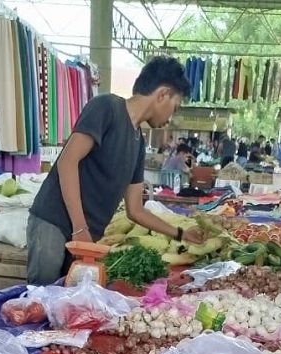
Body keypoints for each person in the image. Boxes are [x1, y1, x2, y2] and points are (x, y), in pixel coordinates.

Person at [26, 56, 207, 285]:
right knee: (39, 300)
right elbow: (67, 161)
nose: (171, 118)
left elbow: (135, 210)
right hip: (53, 223)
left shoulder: (138, 142)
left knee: (65, 307)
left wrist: (180, 233)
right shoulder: (107, 107)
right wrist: (80, 227)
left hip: (84, 238)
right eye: (175, 107)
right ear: (162, 94)